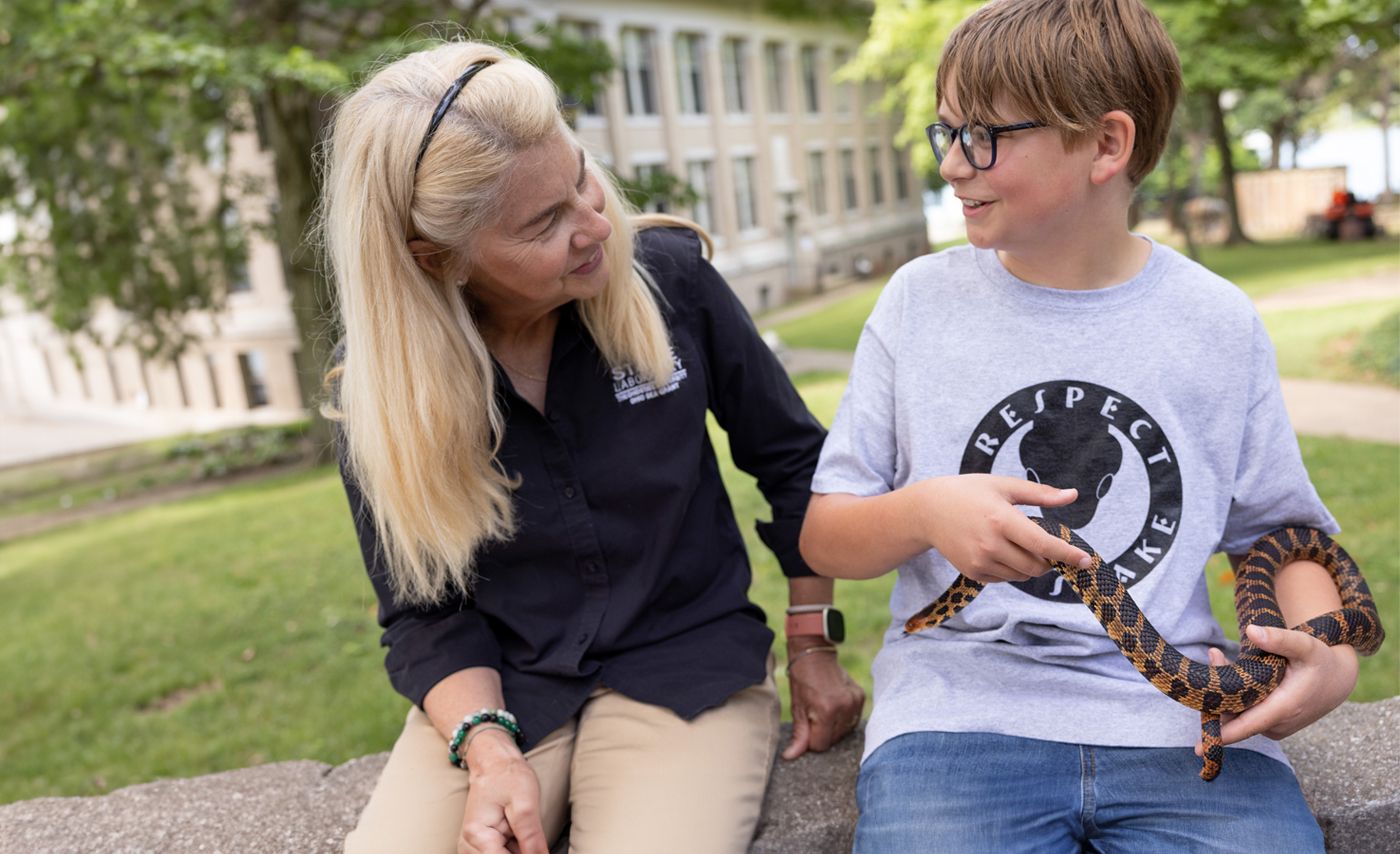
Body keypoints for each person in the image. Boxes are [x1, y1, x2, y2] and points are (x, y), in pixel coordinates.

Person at [798, 1, 1356, 850]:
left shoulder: (1215, 322)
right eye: (944, 130)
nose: (953, 163)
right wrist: (925, 513)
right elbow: (826, 536)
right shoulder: (919, 306)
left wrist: (1327, 654)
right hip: (959, 717)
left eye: (984, 136)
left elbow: (1283, 536)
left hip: (1177, 725)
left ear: (1106, 145)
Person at [319, 40, 864, 854]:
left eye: (581, 179)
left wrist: (812, 641)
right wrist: (490, 750)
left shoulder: (673, 280)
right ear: (439, 260)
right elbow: (425, 612)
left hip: (688, 672)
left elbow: (793, 462)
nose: (596, 225)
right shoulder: (383, 396)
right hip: (504, 693)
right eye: (545, 222)